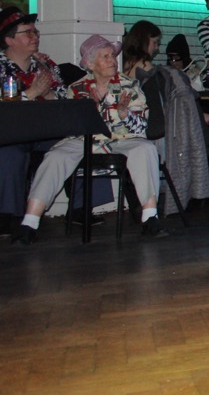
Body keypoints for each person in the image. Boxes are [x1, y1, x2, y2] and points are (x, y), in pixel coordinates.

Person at [13, 35, 164, 244]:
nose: (112, 60)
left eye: (112, 56)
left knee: (145, 149)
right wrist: (89, 112)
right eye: (105, 56)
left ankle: (150, 217)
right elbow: (70, 126)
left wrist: (124, 115)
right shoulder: (77, 89)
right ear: (91, 64)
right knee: (55, 156)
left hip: (121, 139)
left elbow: (141, 129)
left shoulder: (130, 86)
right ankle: (29, 223)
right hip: (85, 140)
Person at [122, 21, 209, 214]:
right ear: (145, 41)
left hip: (132, 127)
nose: (156, 48)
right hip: (153, 127)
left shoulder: (125, 65)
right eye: (154, 42)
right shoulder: (145, 67)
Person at [0, 7, 70, 236]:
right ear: (9, 40)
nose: (35, 36)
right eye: (27, 32)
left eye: (35, 32)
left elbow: (65, 100)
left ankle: (81, 208)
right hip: (10, 134)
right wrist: (31, 93)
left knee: (76, 144)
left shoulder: (46, 65)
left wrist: (48, 95)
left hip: (44, 132)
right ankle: (9, 215)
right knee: (10, 153)